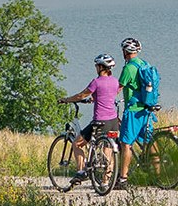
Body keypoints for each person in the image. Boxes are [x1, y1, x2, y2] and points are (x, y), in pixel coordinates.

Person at [59, 53, 120, 178]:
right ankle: (105, 181)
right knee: (107, 149)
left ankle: (81, 171)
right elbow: (106, 95)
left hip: (100, 121)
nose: (96, 68)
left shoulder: (96, 82)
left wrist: (67, 100)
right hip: (113, 121)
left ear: (101, 67)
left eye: (97, 66)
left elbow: (81, 95)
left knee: (77, 143)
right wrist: (95, 98)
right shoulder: (115, 82)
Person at [116, 37, 153, 184]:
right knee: (149, 142)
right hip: (146, 109)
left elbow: (118, 88)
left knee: (126, 144)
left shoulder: (129, 68)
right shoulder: (145, 64)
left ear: (126, 51)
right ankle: (157, 175)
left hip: (133, 111)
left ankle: (123, 178)